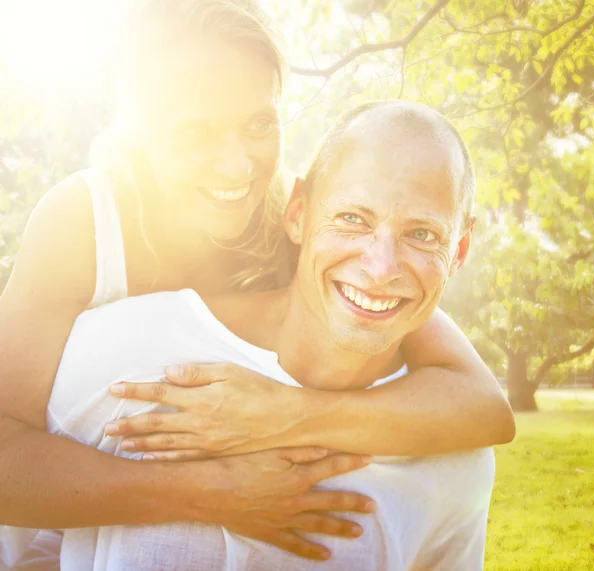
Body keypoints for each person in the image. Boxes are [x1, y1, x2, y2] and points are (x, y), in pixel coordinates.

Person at [0, 0, 514, 566]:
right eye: (195, 132)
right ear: (140, 130)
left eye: (258, 124)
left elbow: (481, 406)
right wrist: (212, 491)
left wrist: (288, 412)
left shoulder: (300, 220)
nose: (237, 165)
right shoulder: (84, 223)